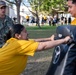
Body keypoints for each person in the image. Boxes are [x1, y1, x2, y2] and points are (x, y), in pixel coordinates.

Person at [0, 24, 70, 75]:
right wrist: (64, 40)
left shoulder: (12, 42)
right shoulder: (19, 44)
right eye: (25, 32)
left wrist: (49, 39)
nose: (27, 33)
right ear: (18, 35)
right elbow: (43, 46)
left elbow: (34, 40)